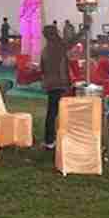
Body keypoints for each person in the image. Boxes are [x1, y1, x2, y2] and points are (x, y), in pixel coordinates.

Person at [40, 20, 87, 150]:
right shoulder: (58, 46)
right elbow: (72, 41)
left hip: (51, 85)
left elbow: (42, 69)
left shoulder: (46, 49)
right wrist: (84, 29)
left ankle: (50, 139)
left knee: (52, 113)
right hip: (59, 84)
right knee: (59, 112)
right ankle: (53, 140)